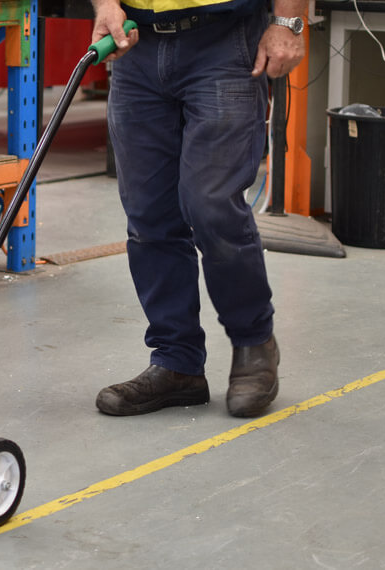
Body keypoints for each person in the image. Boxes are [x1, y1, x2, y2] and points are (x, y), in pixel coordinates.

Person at [90, 0, 306, 417]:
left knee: (211, 206)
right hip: (137, 45)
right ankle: (177, 362)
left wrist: (288, 22)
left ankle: (254, 342)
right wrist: (106, 5)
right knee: (149, 215)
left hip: (224, 41)